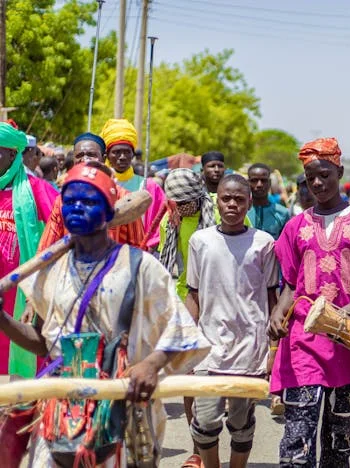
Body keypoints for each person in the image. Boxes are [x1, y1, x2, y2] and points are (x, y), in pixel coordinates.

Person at [1, 162, 209, 466]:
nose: (77, 207)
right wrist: (3, 320)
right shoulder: (51, 271)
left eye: (88, 201)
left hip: (124, 407)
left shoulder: (140, 266)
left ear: (109, 211)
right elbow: (45, 343)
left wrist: (151, 364)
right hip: (62, 408)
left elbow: (180, 330)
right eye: (70, 201)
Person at [267, 137, 350, 467]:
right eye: (310, 177)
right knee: (297, 438)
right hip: (303, 339)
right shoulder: (295, 227)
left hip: (347, 340)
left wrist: (340, 314)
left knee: (339, 439)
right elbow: (290, 285)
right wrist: (278, 312)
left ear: (340, 173)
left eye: (324, 175)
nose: (317, 183)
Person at [186, 174, 279, 468]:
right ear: (217, 202)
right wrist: (185, 343)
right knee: (205, 422)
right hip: (209, 348)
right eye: (226, 198)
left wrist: (273, 349)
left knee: (241, 423)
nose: (232, 205)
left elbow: (272, 298)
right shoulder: (200, 241)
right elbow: (193, 295)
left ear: (249, 203)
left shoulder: (264, 243)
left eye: (239, 199)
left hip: (249, 349)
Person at [157, 167, 217, 462]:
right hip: (187, 305)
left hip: (223, 304)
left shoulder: (221, 212)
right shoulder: (170, 221)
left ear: (196, 196)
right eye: (174, 202)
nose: (179, 208)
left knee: (220, 381)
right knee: (190, 381)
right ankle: (197, 451)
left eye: (184, 202)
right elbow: (167, 265)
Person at [0, 122, 58, 378]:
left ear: (13, 154)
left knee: (19, 368)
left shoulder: (36, 189)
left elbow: (60, 229)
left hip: (21, 295)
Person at [38, 133, 146, 251]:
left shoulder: (124, 197)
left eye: (91, 155)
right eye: (79, 155)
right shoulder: (63, 200)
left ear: (104, 158)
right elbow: (47, 247)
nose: (85, 159)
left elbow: (138, 247)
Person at [100, 118, 167, 251]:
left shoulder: (148, 186)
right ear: (107, 155)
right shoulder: (99, 185)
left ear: (133, 155)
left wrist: (149, 247)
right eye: (116, 152)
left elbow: (160, 223)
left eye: (127, 152)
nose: (122, 157)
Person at [247, 162, 291, 240]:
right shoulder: (241, 212)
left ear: (269, 183)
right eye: (254, 180)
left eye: (263, 180)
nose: (259, 185)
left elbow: (286, 243)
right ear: (248, 183)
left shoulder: (282, 213)